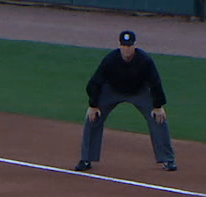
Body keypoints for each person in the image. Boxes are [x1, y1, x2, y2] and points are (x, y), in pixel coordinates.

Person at [73, 30, 177, 173]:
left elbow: (155, 83)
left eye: (129, 46)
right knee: (92, 117)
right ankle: (86, 159)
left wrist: (158, 106)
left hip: (139, 92)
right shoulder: (110, 60)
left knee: (158, 118)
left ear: (134, 46)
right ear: (119, 46)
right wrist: (93, 105)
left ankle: (167, 160)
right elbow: (94, 83)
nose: (127, 49)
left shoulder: (144, 60)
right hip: (112, 91)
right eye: (124, 46)